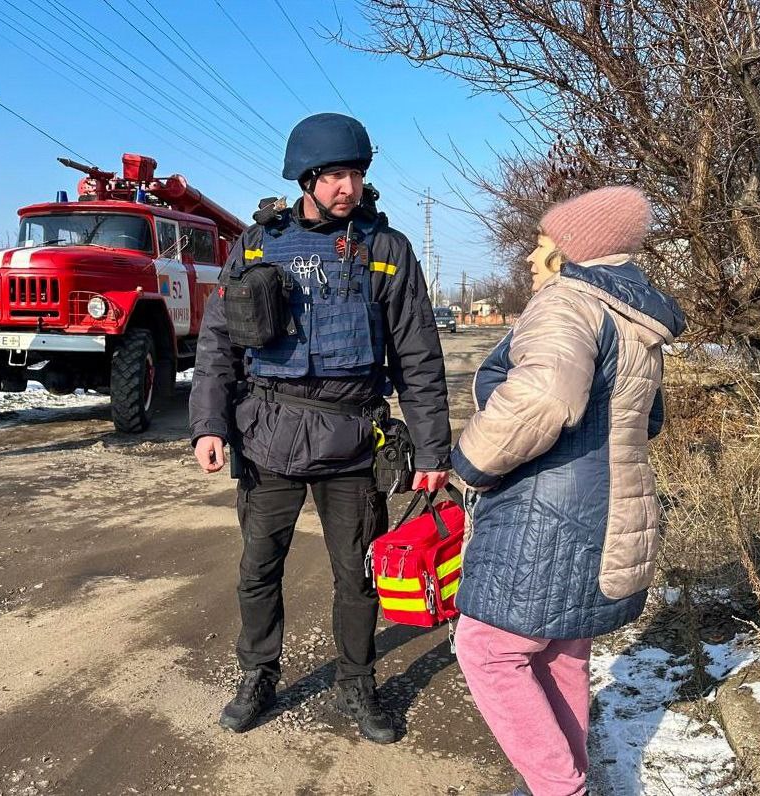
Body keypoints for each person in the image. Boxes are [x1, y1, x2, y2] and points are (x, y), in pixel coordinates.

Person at [189, 113, 451, 744]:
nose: (348, 187)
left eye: (356, 174)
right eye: (335, 174)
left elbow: (418, 354)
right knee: (258, 567)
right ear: (307, 177)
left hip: (353, 439)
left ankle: (357, 682)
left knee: (357, 575)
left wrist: (433, 449)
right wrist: (208, 424)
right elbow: (218, 343)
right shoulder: (255, 245)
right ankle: (258, 674)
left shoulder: (386, 251)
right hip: (268, 434)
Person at [450, 186, 686, 795]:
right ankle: (563, 780)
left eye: (540, 245)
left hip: (546, 516)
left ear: (571, 252)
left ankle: (559, 787)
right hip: (609, 513)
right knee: (561, 652)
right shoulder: (634, 318)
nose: (531, 259)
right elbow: (647, 420)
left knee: (488, 651)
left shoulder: (567, 305)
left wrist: (471, 461)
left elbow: (545, 397)